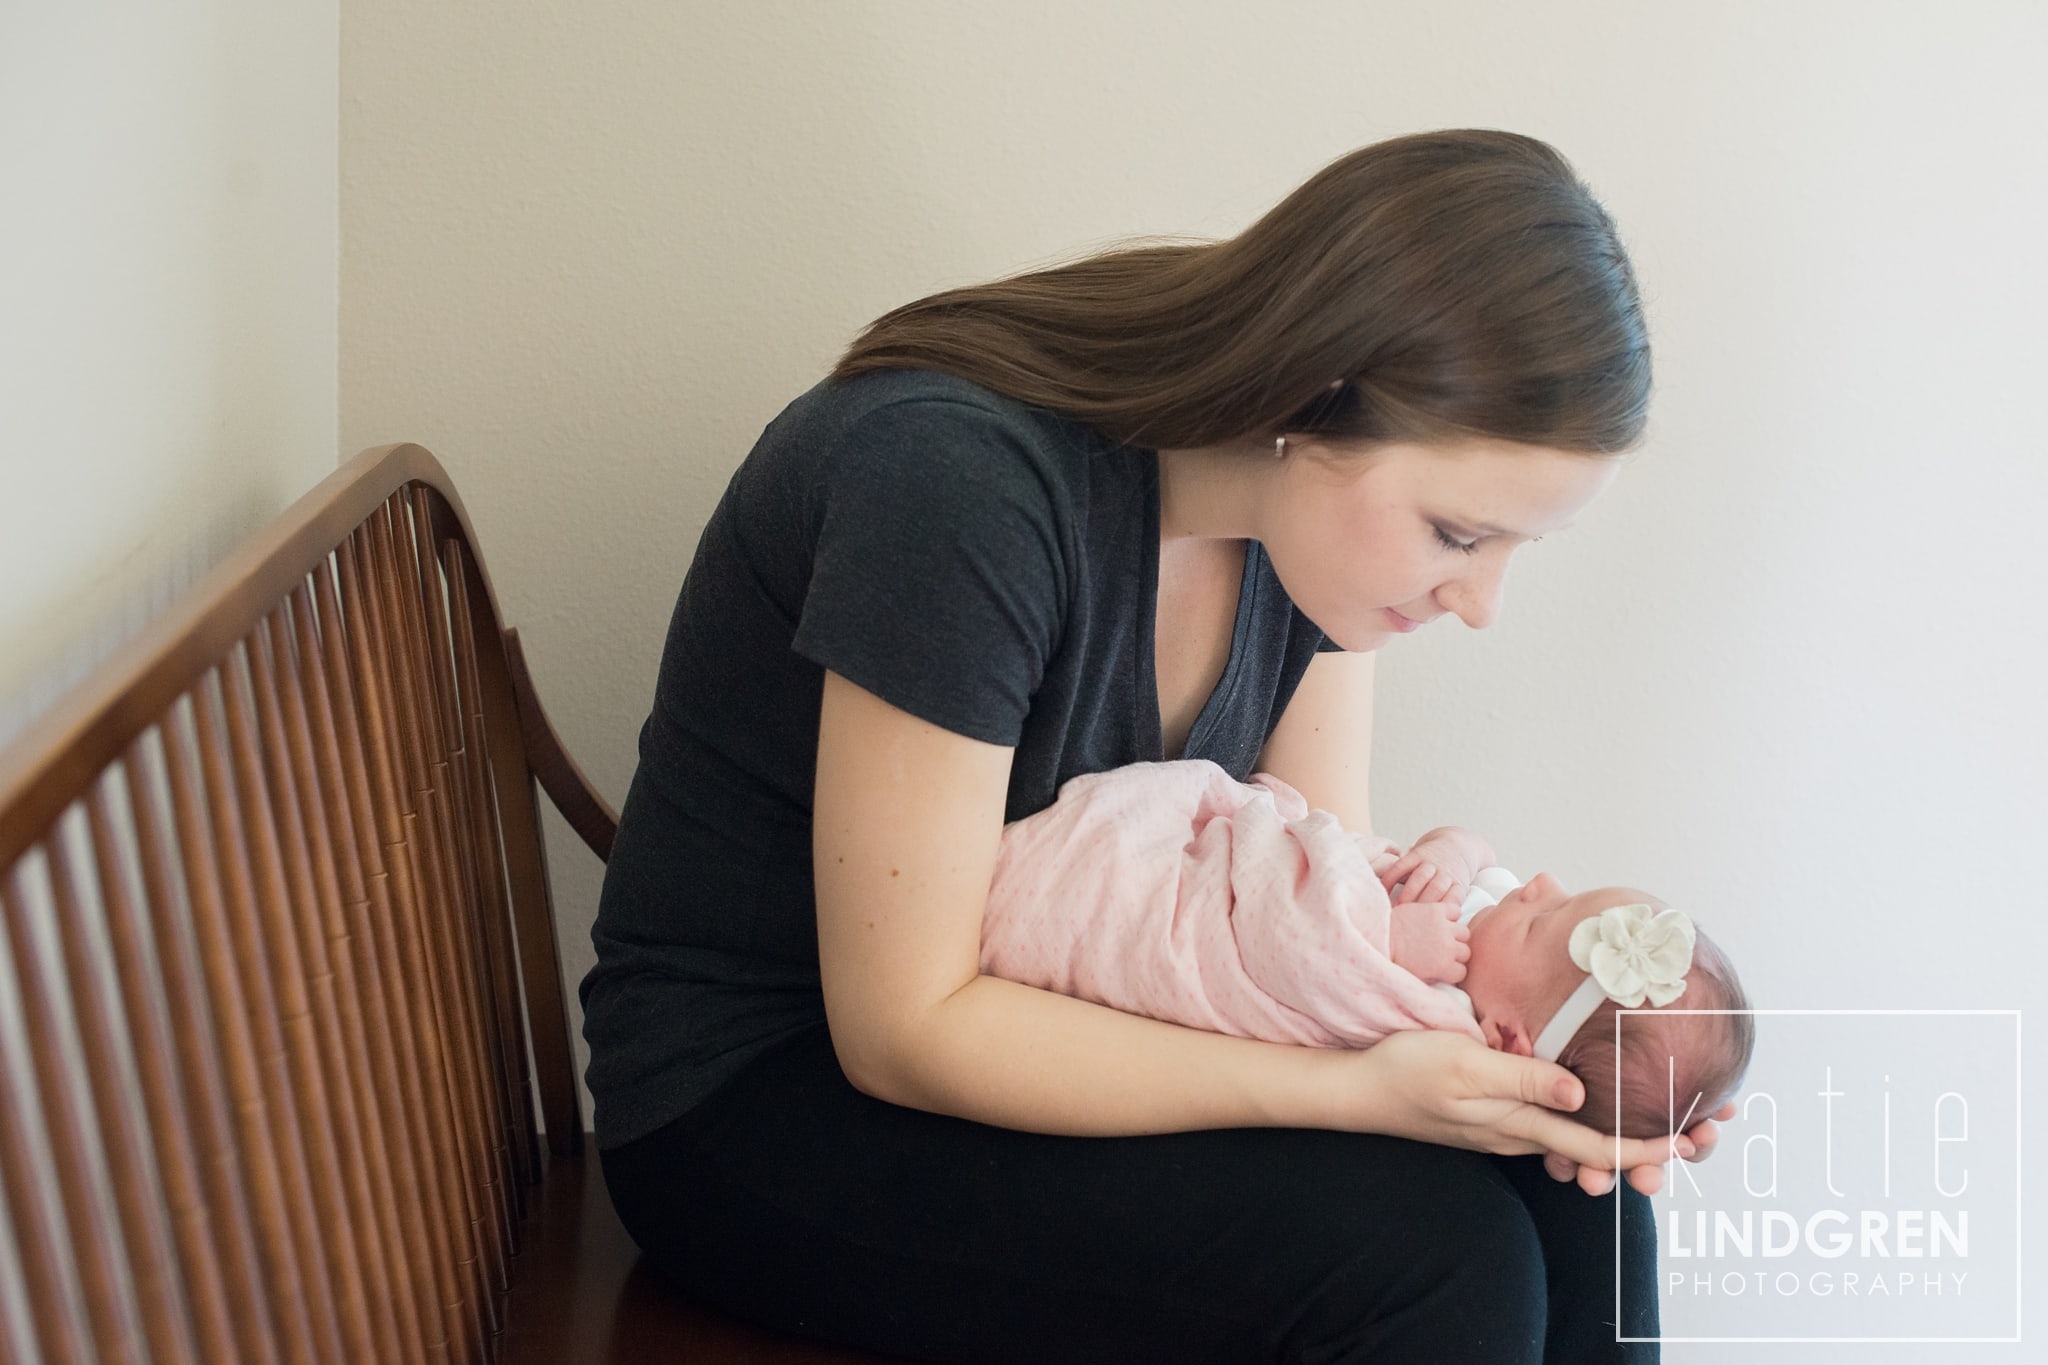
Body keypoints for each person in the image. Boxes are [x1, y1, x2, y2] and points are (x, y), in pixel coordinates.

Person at [583, 128, 1732, 1363]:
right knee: (1435, 1260)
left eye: (1513, 549)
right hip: (762, 1092)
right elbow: (905, 1031)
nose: (1477, 603)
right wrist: (1357, 1097)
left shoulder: (1310, 552)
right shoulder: (957, 489)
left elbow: (1308, 927)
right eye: (1457, 533)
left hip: (1058, 1031)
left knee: (1579, 1207)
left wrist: (1568, 1071)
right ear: (1311, 398)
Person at [978, 758, 1755, 1140]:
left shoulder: (1442, 1017)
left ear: (1509, 1040)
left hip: (1195, 938)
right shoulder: (1494, 944)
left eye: (1536, 922)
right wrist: (1449, 855)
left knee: (1603, 1220)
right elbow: (1475, 851)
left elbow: (1297, 949)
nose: (1536, 886)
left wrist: (1376, 938)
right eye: (1559, 891)